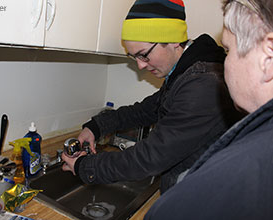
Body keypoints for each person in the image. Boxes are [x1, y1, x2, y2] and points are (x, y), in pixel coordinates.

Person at [62, 0, 242, 193]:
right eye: (134, 58)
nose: (140, 66)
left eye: (143, 55)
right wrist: (96, 127)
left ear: (173, 40)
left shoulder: (203, 84)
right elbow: (146, 110)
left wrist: (84, 166)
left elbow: (150, 157)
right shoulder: (186, 73)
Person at [144, 0, 273, 219]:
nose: (224, 64)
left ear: (267, 58)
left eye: (228, 50)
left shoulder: (252, 162)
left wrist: (84, 165)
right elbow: (146, 108)